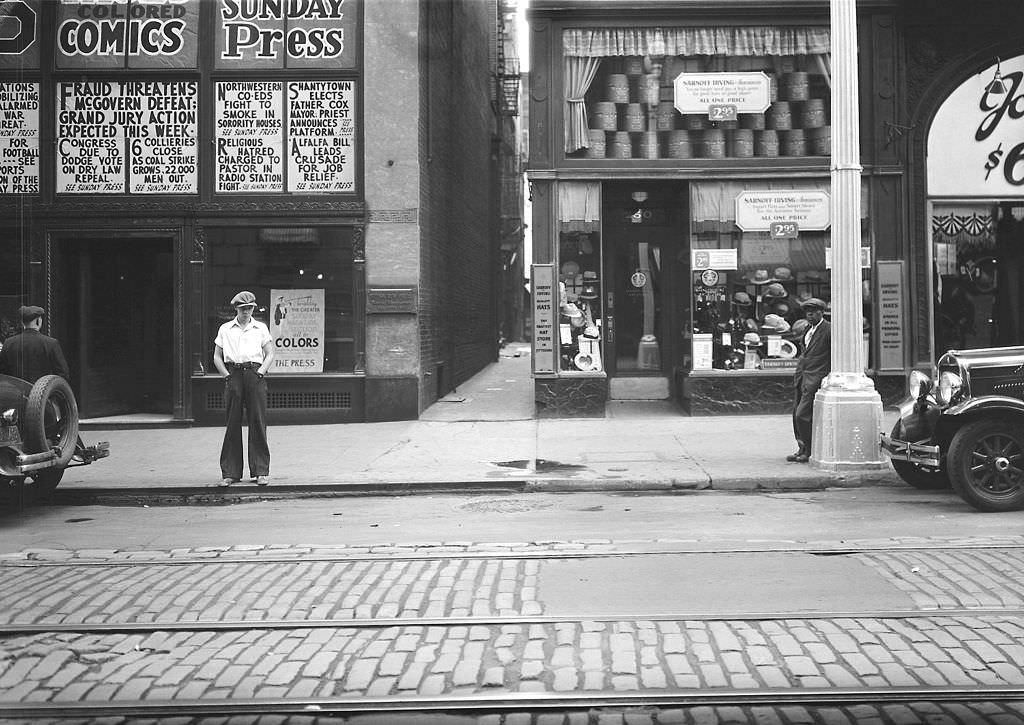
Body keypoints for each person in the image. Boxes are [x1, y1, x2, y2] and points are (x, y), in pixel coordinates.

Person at [213, 291, 275, 486]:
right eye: (243, 308)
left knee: (257, 421)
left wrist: (261, 373)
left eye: (250, 308)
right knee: (232, 422)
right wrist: (227, 376)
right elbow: (217, 356)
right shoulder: (226, 329)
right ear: (236, 309)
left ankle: (260, 472)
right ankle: (230, 473)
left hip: (254, 373)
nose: (247, 312)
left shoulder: (260, 328)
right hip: (234, 374)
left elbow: (270, 353)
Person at [787, 297, 831, 463]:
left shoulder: (828, 330)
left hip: (816, 378)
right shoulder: (807, 329)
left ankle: (810, 450)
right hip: (802, 377)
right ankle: (802, 448)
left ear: (822, 312)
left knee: (802, 415)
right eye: (807, 313)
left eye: (813, 312)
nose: (810, 315)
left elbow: (832, 355)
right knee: (795, 415)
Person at [0, 305, 71, 383]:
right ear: (38, 321)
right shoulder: (51, 343)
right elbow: (63, 374)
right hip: (43, 394)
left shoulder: (8, 343)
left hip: (15, 393)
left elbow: (3, 374)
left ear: (22, 322)